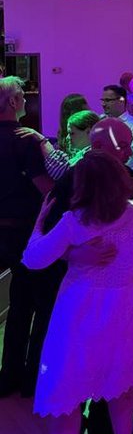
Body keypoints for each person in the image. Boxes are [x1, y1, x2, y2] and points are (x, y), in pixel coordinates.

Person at [22, 150, 133, 434]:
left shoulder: (75, 220)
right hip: (125, 307)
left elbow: (33, 259)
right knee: (122, 387)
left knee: (68, 396)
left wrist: (39, 224)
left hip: (79, 311)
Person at [0, 77, 53, 398]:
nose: (25, 99)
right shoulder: (27, 139)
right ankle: (33, 376)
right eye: (21, 95)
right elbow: (46, 189)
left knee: (18, 302)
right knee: (40, 303)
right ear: (12, 102)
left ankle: (9, 374)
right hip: (25, 231)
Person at [100, 85, 133, 173]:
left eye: (108, 100)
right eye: (103, 100)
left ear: (121, 101)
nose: (103, 104)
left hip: (127, 174)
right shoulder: (100, 122)